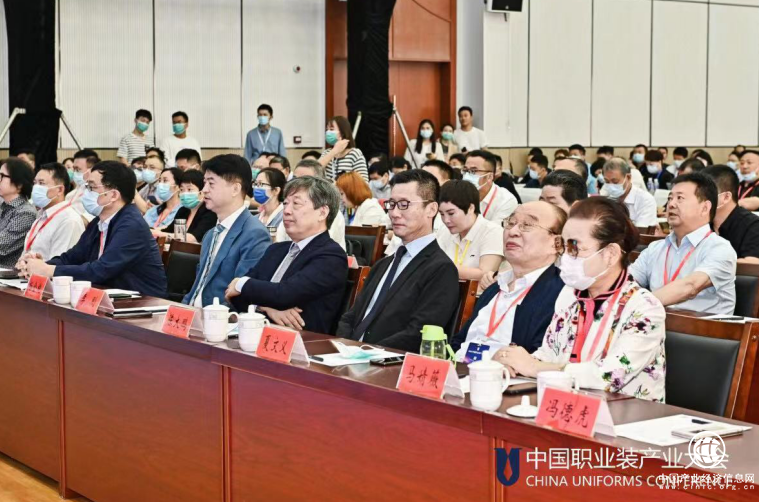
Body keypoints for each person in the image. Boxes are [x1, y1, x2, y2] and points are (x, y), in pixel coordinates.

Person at [494, 198, 666, 402]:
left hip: (628, 414)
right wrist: (512, 361)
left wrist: (533, 366)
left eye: (574, 248)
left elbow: (609, 376)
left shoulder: (645, 308)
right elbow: (548, 355)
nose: (566, 257)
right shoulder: (570, 296)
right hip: (569, 406)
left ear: (610, 254)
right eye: (564, 247)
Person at [336, 170, 459, 351]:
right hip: (348, 354)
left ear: (432, 209)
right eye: (391, 204)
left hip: (386, 360)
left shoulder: (441, 269)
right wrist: (343, 346)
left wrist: (365, 351)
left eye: (403, 205)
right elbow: (350, 317)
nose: (394, 213)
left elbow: (418, 334)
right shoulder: (383, 264)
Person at [19, 161, 167, 297]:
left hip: (144, 301)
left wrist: (48, 270)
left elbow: (101, 270)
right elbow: (72, 258)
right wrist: (40, 265)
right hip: (109, 297)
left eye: (91, 187)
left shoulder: (132, 225)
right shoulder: (99, 221)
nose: (85, 192)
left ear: (113, 195)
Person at [226, 177, 348, 333]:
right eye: (285, 203)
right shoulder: (276, 250)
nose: (287, 210)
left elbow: (284, 294)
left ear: (322, 212)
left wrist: (240, 283)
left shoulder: (331, 256)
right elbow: (234, 297)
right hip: (255, 334)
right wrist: (266, 308)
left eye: (296, 203)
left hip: (302, 340)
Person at [451, 201, 567, 359]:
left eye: (527, 225)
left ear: (557, 244)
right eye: (511, 223)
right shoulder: (495, 287)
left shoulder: (561, 294)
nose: (512, 232)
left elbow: (540, 358)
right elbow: (459, 342)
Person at [631, 172, 737, 314]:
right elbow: (628, 282)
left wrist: (639, 305)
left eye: (680, 198)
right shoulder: (655, 248)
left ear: (705, 208)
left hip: (701, 327)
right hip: (656, 323)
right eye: (670, 198)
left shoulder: (720, 248)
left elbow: (690, 286)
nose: (671, 204)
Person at [183, 155, 271, 307]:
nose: (204, 190)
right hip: (194, 313)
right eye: (204, 183)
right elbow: (197, 287)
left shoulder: (255, 234)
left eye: (211, 183)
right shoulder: (211, 234)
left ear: (235, 189)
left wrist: (210, 316)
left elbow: (242, 296)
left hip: (219, 317)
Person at [436, 180, 503, 281]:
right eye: (441, 214)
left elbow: (485, 273)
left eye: (451, 213)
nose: (446, 220)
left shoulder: (493, 232)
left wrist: (440, 268)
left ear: (471, 208)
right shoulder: (444, 230)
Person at [19, 162, 84, 261]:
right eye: (35, 183)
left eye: (41, 183)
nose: (36, 187)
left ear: (60, 190)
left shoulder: (69, 221)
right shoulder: (42, 215)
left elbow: (59, 265)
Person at [276, 159, 347, 250]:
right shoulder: (289, 210)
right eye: (295, 178)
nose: (298, 183)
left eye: (306, 179)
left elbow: (322, 246)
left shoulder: (331, 214)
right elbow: (279, 241)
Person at [704, 165, 759, 263]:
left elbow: (752, 264)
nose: (699, 199)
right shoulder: (700, 223)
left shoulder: (753, 225)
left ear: (726, 197)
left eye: (705, 194)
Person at [462, 150, 518, 225]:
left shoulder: (506, 200)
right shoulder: (458, 194)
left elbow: (495, 230)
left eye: (473, 171)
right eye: (465, 170)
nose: (467, 175)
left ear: (489, 176)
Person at [161, 169, 217, 243]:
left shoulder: (210, 212)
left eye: (189, 189)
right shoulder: (183, 211)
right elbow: (171, 232)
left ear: (202, 192)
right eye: (182, 190)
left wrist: (157, 234)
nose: (184, 193)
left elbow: (194, 238)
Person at [601, 158, 658, 230]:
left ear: (628, 177)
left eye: (615, 182)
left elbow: (642, 232)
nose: (611, 186)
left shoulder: (645, 200)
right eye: (607, 182)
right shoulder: (606, 199)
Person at [0, 158, 36, 267]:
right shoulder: (5, 206)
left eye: (2, 176)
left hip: (8, 274)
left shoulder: (26, 213)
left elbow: (2, 246)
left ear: (19, 184)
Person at [318, 116, 368, 181]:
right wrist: (334, 151)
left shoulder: (354, 153)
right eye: (327, 130)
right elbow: (315, 170)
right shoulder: (327, 153)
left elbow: (363, 182)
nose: (328, 132)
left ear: (342, 133)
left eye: (331, 129)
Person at [66, 149, 100, 222]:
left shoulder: (97, 193)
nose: (75, 172)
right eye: (74, 169)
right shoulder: (78, 189)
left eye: (78, 169)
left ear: (91, 170)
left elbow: (88, 220)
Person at [254, 168, 286, 232]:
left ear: (276, 190)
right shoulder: (255, 219)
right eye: (255, 184)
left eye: (261, 184)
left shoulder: (285, 218)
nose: (256, 187)